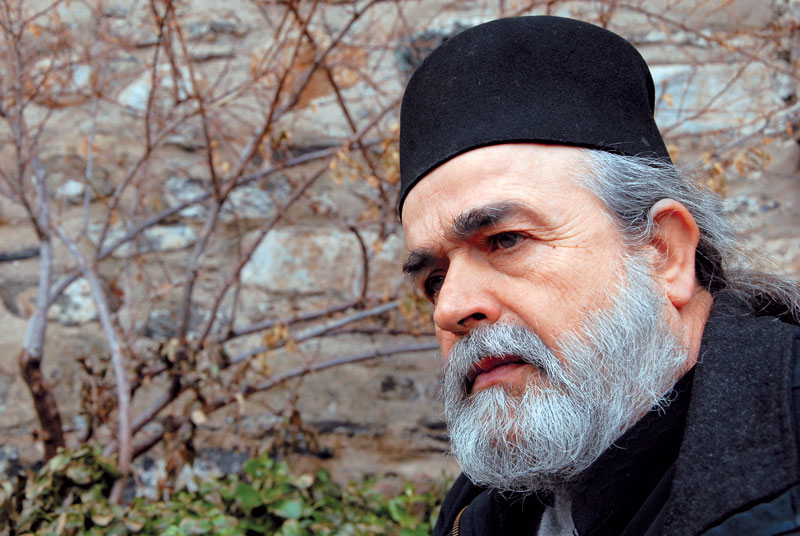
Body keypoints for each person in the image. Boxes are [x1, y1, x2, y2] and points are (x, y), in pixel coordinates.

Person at [397, 16, 800, 536]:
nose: (450, 308)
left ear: (664, 252)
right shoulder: (479, 510)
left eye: (506, 240)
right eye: (434, 279)